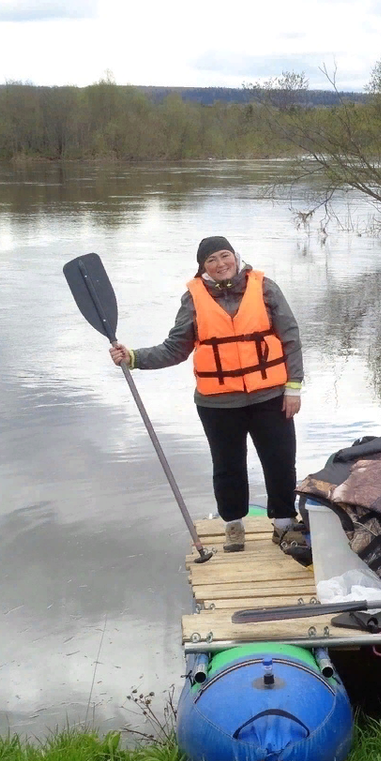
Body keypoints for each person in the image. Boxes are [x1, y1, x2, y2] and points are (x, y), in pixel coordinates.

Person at [109, 236, 304, 552]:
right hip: (218, 403)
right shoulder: (193, 299)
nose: (220, 263)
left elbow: (290, 337)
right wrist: (134, 358)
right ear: (203, 267)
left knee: (280, 461)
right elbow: (176, 348)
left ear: (236, 257)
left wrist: (293, 387)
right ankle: (233, 526)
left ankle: (284, 525)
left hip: (270, 396)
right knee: (227, 466)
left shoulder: (266, 288)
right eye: (211, 260)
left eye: (224, 255)